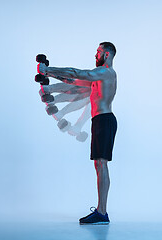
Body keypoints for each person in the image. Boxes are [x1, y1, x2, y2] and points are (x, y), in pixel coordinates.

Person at [38, 42, 117, 225]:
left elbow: (77, 72)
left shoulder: (106, 73)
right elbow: (73, 82)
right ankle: (101, 212)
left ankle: (102, 213)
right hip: (99, 120)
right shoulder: (100, 77)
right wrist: (51, 76)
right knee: (99, 164)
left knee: (102, 164)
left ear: (106, 54)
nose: (95, 55)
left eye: (98, 52)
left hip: (105, 120)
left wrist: (48, 69)